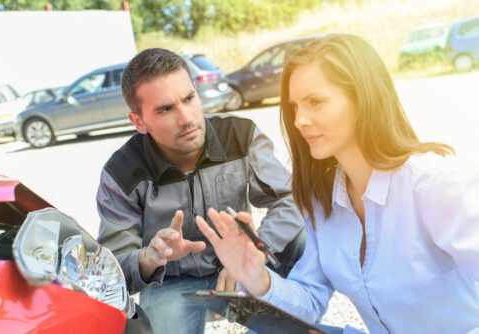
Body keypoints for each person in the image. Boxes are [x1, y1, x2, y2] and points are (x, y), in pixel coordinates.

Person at [195, 34, 479, 334]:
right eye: (295, 107)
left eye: (315, 102)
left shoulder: (434, 183)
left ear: (363, 98)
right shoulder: (323, 200)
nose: (300, 120)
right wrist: (256, 276)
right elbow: (310, 297)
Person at [96, 48, 306, 334]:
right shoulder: (120, 173)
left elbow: (291, 199)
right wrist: (148, 258)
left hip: (243, 271)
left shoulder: (240, 135)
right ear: (139, 122)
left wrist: (251, 254)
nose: (186, 118)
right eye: (165, 109)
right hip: (171, 283)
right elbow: (112, 268)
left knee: (303, 238)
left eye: (189, 98)